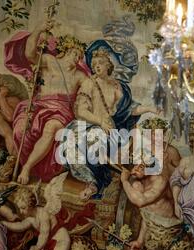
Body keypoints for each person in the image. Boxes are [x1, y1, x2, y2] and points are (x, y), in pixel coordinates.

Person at [64, 48, 158, 200]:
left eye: (100, 63)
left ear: (109, 65)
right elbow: (81, 111)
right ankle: (92, 182)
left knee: (123, 144)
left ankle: (121, 173)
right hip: (89, 126)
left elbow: (129, 109)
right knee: (92, 141)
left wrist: (150, 109)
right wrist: (100, 121)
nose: (97, 66)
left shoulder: (115, 87)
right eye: (94, 65)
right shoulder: (89, 84)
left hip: (111, 130)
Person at [4, 21, 90, 184]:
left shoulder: (79, 75)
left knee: (51, 128)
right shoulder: (49, 60)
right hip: (38, 105)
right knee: (20, 131)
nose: (78, 59)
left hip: (61, 110)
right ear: (66, 50)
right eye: (76, 54)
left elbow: (92, 89)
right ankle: (24, 163)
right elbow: (29, 54)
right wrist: (38, 29)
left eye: (80, 56)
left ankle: (27, 167)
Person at [2, 184, 77, 250]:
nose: (21, 212)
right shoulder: (30, 218)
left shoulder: (43, 214)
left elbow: (44, 234)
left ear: (30, 205)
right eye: (20, 208)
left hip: (59, 238)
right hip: (47, 243)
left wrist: (37, 248)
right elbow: (19, 226)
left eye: (23, 208)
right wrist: (3, 223)